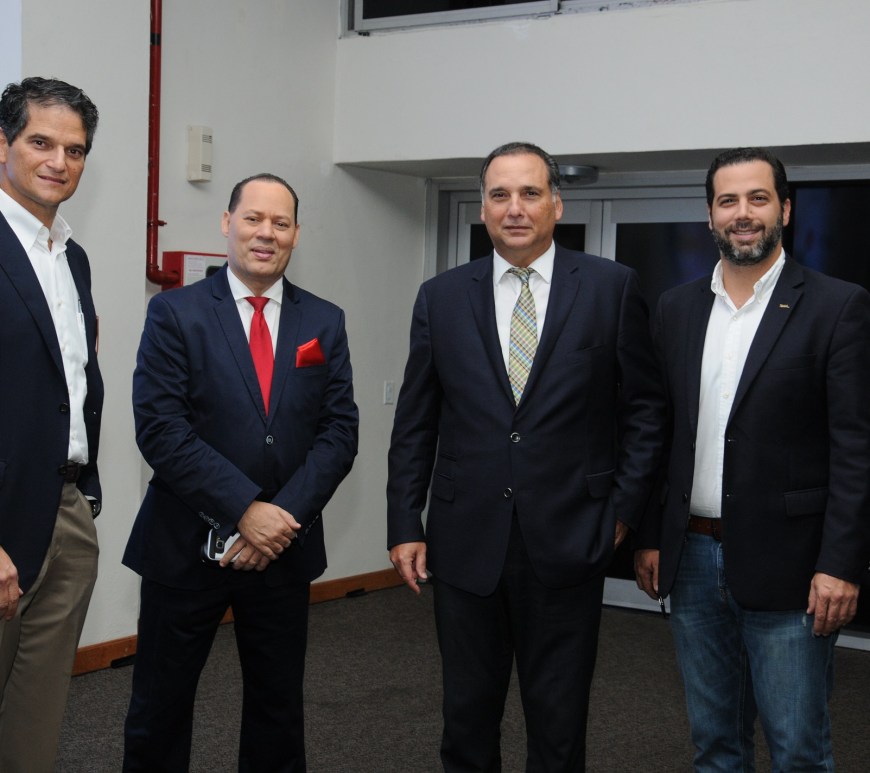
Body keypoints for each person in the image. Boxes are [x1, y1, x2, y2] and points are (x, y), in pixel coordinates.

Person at [387, 141, 664, 771]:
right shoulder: (440, 297)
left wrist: (622, 510)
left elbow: (646, 410)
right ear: (483, 208)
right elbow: (415, 421)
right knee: (466, 718)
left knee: (559, 724)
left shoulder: (611, 288)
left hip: (570, 538)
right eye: (500, 195)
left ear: (556, 204)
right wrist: (404, 521)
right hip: (464, 539)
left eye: (530, 193)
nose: (515, 208)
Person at [634, 147, 870, 771]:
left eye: (758, 199)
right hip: (691, 559)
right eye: (728, 201)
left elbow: (856, 449)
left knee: (797, 751)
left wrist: (840, 564)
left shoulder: (837, 305)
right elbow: (662, 432)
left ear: (784, 210)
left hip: (793, 567)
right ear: (710, 215)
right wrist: (654, 535)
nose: (743, 213)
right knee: (715, 745)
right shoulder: (676, 308)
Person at [122, 173, 358, 772]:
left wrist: (280, 519)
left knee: (278, 711)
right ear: (227, 223)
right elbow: (161, 429)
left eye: (280, 223)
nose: (265, 233)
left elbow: (338, 433)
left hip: (283, 549)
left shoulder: (324, 321)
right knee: (159, 709)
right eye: (253, 218)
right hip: (184, 548)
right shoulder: (174, 313)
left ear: (297, 234)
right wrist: (244, 511)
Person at [0, 76, 103, 773]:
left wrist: (84, 497)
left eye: (76, 149)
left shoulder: (71, 256)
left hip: (65, 512)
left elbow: (73, 385)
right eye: (41, 142)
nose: (59, 162)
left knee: (34, 723)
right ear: (4, 144)